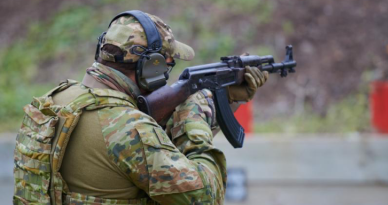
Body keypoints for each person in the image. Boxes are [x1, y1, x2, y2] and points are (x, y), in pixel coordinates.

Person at [13, 10, 268, 205]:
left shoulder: (52, 103)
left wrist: (229, 101)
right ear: (151, 66)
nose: (168, 74)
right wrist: (195, 118)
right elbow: (204, 195)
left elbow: (144, 151)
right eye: (167, 65)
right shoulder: (128, 129)